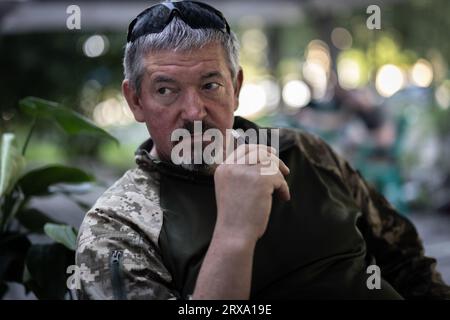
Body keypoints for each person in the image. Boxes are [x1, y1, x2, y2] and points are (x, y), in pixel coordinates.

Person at [75, 0, 450, 300]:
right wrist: (234, 233)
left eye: (210, 85)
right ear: (135, 101)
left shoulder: (304, 152)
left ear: (236, 87)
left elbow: (408, 263)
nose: (193, 112)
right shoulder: (119, 225)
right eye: (165, 90)